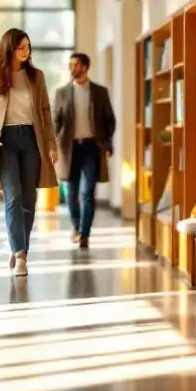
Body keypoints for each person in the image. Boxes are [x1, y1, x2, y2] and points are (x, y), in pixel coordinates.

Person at [0, 28, 58, 276]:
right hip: (6, 142)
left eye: (28, 47)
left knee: (29, 200)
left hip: (32, 141)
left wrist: (51, 143)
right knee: (12, 197)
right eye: (21, 47)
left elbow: (45, 111)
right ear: (9, 48)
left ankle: (18, 248)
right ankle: (21, 256)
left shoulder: (36, 76)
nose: (26, 51)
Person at [52, 51, 116, 249]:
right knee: (71, 193)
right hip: (69, 148)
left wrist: (106, 143)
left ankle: (85, 234)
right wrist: (52, 146)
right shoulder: (61, 93)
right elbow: (56, 120)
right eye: (70, 64)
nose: (73, 68)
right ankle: (76, 226)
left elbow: (109, 120)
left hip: (91, 147)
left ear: (86, 67)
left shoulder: (99, 92)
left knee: (87, 192)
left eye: (77, 64)